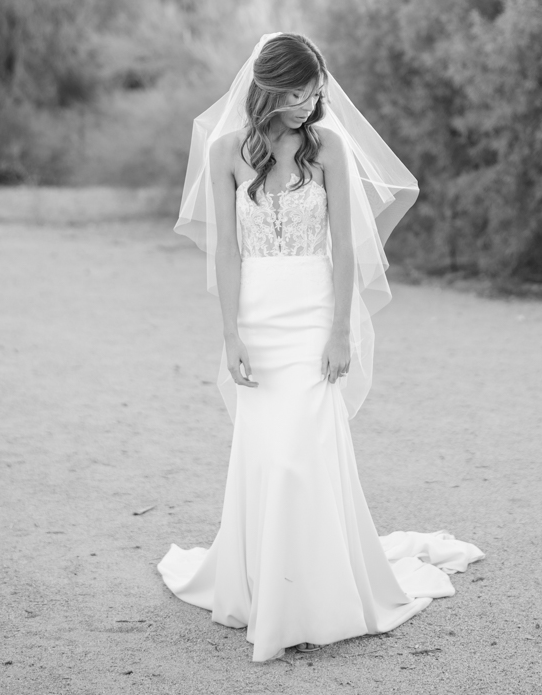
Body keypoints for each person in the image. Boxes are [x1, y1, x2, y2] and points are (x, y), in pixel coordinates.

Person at [158, 32, 483, 663]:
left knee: (299, 457)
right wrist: (230, 334)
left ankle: (315, 595)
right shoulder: (227, 152)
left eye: (316, 92)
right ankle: (266, 590)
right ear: (270, 88)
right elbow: (226, 251)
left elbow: (344, 249)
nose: (310, 104)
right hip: (257, 315)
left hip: (312, 315)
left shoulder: (328, 147)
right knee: (266, 456)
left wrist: (340, 330)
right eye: (299, 93)